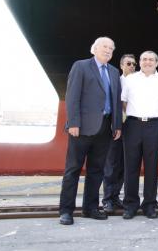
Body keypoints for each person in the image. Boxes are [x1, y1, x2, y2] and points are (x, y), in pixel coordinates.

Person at [58, 37, 122, 225]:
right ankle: (66, 211)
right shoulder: (81, 66)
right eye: (104, 47)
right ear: (94, 49)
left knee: (97, 171)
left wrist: (117, 125)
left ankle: (90, 208)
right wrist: (73, 123)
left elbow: (116, 102)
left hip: (105, 127)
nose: (108, 50)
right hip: (82, 128)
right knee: (73, 170)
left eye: (111, 48)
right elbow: (72, 96)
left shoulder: (114, 71)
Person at [121, 51, 158, 219]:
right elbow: (123, 102)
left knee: (151, 167)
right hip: (133, 125)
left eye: (151, 60)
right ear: (140, 62)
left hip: (154, 126)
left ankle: (149, 205)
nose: (147, 62)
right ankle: (130, 205)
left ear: (157, 63)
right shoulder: (130, 79)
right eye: (144, 59)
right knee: (131, 167)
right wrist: (137, 114)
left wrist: (153, 115)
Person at [102, 53, 135, 214]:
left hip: (132, 128)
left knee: (124, 165)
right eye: (128, 63)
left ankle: (115, 197)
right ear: (121, 65)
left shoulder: (138, 83)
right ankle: (107, 199)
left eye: (134, 64)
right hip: (116, 127)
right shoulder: (115, 81)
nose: (132, 66)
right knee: (111, 164)